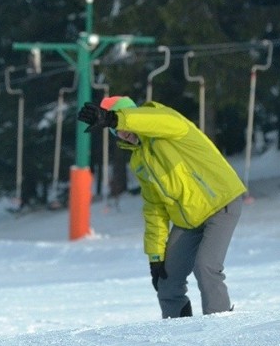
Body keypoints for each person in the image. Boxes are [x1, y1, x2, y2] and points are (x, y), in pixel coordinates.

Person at [78, 96, 246, 318]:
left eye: (122, 124)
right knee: (166, 282)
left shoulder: (169, 126)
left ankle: (219, 328)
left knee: (206, 267)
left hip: (220, 202)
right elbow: (154, 209)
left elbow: (153, 121)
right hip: (189, 220)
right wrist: (156, 258)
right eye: (117, 130)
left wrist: (114, 119)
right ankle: (178, 334)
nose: (123, 132)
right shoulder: (139, 161)